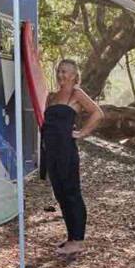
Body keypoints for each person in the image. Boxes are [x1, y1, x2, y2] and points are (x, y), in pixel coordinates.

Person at [43, 59, 103, 255]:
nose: (61, 75)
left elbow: (98, 113)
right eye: (59, 71)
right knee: (60, 193)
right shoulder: (51, 96)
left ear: (75, 75)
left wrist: (82, 133)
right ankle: (70, 237)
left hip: (66, 150)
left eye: (66, 72)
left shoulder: (76, 94)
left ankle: (78, 240)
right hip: (51, 151)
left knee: (72, 193)